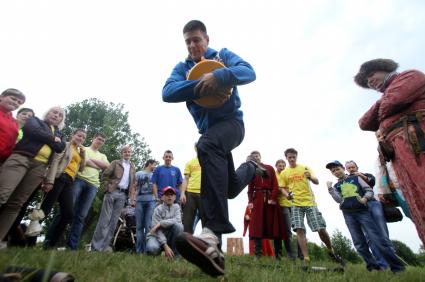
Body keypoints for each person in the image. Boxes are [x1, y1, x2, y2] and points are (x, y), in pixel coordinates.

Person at [162, 20, 263, 276]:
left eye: (196, 39)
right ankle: (250, 168)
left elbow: (248, 71)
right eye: (188, 41)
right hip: (211, 135)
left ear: (206, 39)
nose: (193, 45)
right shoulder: (183, 67)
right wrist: (200, 84)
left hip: (232, 125)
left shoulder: (222, 55)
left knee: (206, 146)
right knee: (227, 188)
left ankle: (211, 237)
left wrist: (219, 76)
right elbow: (168, 92)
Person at [355, 58, 425, 245]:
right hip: (399, 155)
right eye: (367, 82)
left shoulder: (411, 76)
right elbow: (364, 123)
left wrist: (382, 106)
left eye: (371, 75)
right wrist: (383, 106)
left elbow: (394, 100)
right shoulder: (385, 96)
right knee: (416, 203)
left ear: (385, 69)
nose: (370, 82)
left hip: (418, 142)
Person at [0, 106, 66, 243]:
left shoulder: (60, 134)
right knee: (2, 194)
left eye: (60, 115)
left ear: (61, 119)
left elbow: (60, 148)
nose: (56, 115)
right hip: (21, 158)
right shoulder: (35, 121)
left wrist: (50, 138)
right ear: (48, 113)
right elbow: (31, 131)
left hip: (40, 168)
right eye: (54, 112)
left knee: (17, 204)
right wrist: (53, 139)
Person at [326, 160, 405, 273]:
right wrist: (330, 189)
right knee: (359, 243)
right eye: (333, 171)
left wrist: (365, 198)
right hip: (348, 214)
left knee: (376, 239)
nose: (336, 172)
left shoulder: (356, 178)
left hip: (363, 212)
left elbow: (368, 190)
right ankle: (373, 267)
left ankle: (397, 267)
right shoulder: (336, 185)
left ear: (343, 168)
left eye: (337, 169)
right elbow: (339, 200)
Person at [280, 148, 343, 266]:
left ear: (296, 157)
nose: (292, 159)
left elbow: (316, 181)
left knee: (320, 228)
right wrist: (287, 195)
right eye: (290, 157)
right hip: (295, 203)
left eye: (294, 157)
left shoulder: (305, 168)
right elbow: (282, 187)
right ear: (286, 158)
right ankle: (306, 258)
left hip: (310, 202)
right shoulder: (284, 173)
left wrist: (310, 177)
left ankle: (331, 251)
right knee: (299, 229)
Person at [41, 128, 87, 248]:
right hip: (59, 177)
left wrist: (83, 155)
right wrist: (50, 180)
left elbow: (81, 169)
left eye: (83, 137)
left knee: (68, 214)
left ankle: (50, 244)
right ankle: (30, 238)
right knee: (46, 208)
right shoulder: (65, 145)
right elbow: (55, 161)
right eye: (79, 136)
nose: (80, 139)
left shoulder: (79, 151)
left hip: (70, 181)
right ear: (73, 135)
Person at [67, 133, 109, 250]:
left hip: (93, 185)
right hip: (79, 180)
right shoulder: (83, 148)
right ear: (93, 139)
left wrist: (89, 160)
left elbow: (107, 166)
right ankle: (51, 242)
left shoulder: (103, 155)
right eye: (98, 139)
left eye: (102, 140)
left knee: (81, 216)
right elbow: (81, 161)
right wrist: (96, 165)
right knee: (67, 210)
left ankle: (72, 246)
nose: (100, 141)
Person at [345, 160, 390, 269]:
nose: (351, 169)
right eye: (349, 168)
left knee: (382, 231)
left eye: (353, 167)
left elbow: (372, 182)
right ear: (346, 169)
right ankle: (382, 264)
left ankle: (391, 260)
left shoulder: (366, 175)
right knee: (369, 236)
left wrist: (361, 175)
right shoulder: (347, 180)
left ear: (357, 167)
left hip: (373, 203)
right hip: (360, 208)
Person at [90, 145, 136, 252]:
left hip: (123, 195)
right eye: (125, 152)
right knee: (104, 220)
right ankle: (95, 247)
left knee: (114, 222)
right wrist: (107, 189)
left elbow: (133, 182)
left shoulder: (133, 166)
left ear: (131, 153)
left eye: (129, 152)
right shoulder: (116, 163)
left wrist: (130, 196)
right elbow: (105, 175)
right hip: (112, 192)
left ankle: (104, 247)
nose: (127, 153)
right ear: (122, 153)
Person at [246, 151, 285, 259]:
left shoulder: (269, 168)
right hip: (257, 200)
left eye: (257, 155)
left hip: (270, 199)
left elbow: (275, 185)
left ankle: (278, 255)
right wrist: (250, 202)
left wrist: (272, 198)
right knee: (256, 226)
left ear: (260, 157)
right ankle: (258, 255)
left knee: (275, 226)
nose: (256, 157)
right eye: (253, 156)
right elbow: (250, 189)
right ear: (251, 159)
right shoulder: (251, 171)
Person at [375, 130, 412, 219]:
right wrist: (381, 191)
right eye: (378, 136)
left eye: (383, 134)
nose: (382, 137)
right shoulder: (380, 157)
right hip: (398, 189)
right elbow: (381, 174)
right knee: (410, 213)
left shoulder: (404, 143)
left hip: (413, 182)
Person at [145, 186, 183, 259]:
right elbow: (156, 230)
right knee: (152, 248)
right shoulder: (157, 209)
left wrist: (161, 223)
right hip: (156, 236)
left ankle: (175, 255)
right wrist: (165, 245)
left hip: (170, 236)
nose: (169, 197)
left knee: (179, 226)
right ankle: (158, 251)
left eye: (171, 195)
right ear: (162, 197)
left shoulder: (177, 207)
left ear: (175, 197)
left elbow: (178, 220)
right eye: (167, 194)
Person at [274, 159, 297, 260]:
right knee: (286, 230)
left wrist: (284, 189)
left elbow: (292, 187)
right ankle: (289, 254)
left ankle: (300, 256)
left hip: (292, 204)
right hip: (281, 205)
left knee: (298, 228)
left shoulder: (288, 173)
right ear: (276, 166)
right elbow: (276, 188)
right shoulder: (274, 175)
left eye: (283, 165)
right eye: (280, 165)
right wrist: (282, 189)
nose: (282, 167)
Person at [180, 143, 204, 234]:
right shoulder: (190, 163)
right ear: (195, 149)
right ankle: (187, 244)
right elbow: (185, 179)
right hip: (190, 193)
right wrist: (182, 193)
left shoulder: (208, 161)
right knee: (187, 221)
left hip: (204, 193)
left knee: (206, 221)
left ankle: (206, 244)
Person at [135, 159, 157, 254]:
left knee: (148, 226)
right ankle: (139, 250)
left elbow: (155, 187)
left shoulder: (154, 175)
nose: (155, 167)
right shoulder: (138, 173)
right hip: (139, 201)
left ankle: (147, 250)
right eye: (154, 165)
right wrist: (132, 199)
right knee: (139, 226)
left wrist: (156, 198)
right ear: (149, 164)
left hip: (151, 202)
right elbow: (134, 186)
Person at [0, 88, 25, 165]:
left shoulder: (14, 122)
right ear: (1, 96)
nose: (16, 103)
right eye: (13, 99)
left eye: (19, 102)